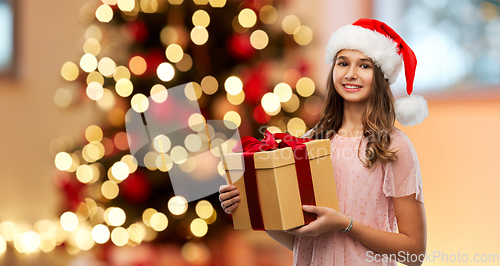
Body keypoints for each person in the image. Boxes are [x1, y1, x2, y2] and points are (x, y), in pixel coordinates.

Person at [219, 18, 428, 266]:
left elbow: (414, 254)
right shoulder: (309, 142)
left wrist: (346, 225)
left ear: (381, 75)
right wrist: (250, 206)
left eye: (364, 66)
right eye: (343, 63)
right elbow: (303, 242)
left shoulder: (393, 146)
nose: (350, 74)